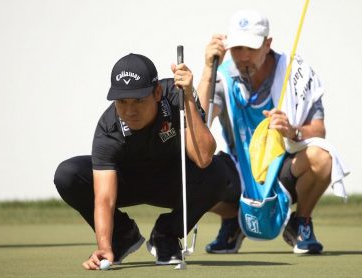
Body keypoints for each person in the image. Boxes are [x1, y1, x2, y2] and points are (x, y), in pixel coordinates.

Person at [54, 53, 237, 269]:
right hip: (127, 183)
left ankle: (166, 234)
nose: (130, 111)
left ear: (157, 92)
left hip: (172, 182)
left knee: (218, 170)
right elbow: (104, 198)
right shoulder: (109, 128)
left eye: (139, 100)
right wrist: (103, 245)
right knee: (67, 174)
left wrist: (188, 96)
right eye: (122, 101)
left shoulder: (176, 94)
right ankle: (122, 236)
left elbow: (203, 157)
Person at [197, 9, 341, 255]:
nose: (243, 57)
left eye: (251, 48)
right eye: (237, 48)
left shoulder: (296, 74)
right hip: (240, 170)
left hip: (283, 169)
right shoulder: (221, 77)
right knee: (193, 169)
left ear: (268, 44)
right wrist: (208, 70)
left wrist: (292, 130)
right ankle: (233, 222)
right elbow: (200, 124)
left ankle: (301, 222)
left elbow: (319, 130)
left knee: (322, 157)